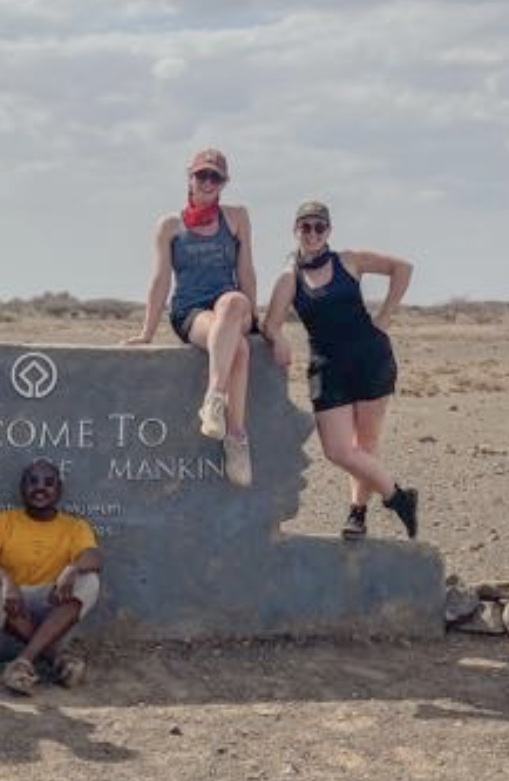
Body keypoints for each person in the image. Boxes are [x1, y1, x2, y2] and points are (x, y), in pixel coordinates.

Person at [261, 200, 418, 540]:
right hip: (327, 369)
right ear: (296, 230)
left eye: (320, 227)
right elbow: (270, 324)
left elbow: (402, 268)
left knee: (366, 442)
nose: (313, 233)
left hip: (370, 358)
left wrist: (385, 316)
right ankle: (398, 496)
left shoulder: (348, 260)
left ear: (329, 230)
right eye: (306, 227)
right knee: (337, 450)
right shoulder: (290, 278)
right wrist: (278, 338)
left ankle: (357, 514)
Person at [125, 148, 258, 488]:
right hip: (191, 311)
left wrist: (255, 320)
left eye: (215, 177)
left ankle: (214, 399)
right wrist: (147, 332)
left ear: (223, 183)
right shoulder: (170, 226)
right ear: (190, 177)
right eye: (202, 175)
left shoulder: (237, 217)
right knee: (238, 350)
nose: (208, 182)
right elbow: (160, 280)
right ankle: (236, 439)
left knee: (231, 306)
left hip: (232, 305)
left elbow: (246, 270)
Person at [0, 459, 102, 695]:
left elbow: (94, 558)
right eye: (33, 482)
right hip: (8, 629)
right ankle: (56, 659)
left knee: (89, 580)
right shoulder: (1, 522)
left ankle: (23, 662)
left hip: (53, 624)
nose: (40, 488)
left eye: (49, 483)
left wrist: (73, 568)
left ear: (59, 490)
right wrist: (6, 581)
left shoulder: (76, 527)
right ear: (22, 488)